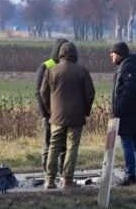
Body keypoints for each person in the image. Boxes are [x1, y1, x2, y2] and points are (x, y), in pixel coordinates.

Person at [40, 41, 95, 189]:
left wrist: (50, 110)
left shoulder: (51, 70)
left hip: (56, 117)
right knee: (72, 147)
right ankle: (67, 180)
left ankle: (49, 180)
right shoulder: (82, 71)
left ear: (60, 54)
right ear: (75, 54)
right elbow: (90, 93)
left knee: (54, 146)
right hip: (76, 117)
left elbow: (43, 93)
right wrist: (85, 110)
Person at [109, 41, 136, 186]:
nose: (111, 56)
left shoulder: (127, 68)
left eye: (113, 53)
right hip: (134, 115)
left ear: (119, 53)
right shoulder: (130, 66)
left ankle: (131, 175)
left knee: (128, 144)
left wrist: (118, 109)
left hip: (128, 116)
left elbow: (128, 91)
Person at [35, 38, 68, 173]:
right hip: (49, 114)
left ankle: (62, 171)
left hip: (63, 114)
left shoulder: (66, 66)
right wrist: (45, 113)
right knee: (48, 144)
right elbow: (38, 92)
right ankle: (47, 172)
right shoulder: (45, 66)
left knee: (64, 145)